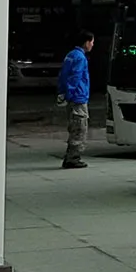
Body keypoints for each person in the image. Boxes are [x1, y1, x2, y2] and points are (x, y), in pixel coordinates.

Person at [57, 30, 93, 169]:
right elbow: (75, 77)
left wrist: (62, 93)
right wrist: (71, 94)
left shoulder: (70, 55)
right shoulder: (80, 58)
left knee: (74, 127)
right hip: (78, 98)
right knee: (80, 128)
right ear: (86, 42)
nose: (92, 45)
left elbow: (63, 75)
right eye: (92, 42)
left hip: (72, 97)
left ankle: (71, 157)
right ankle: (73, 158)